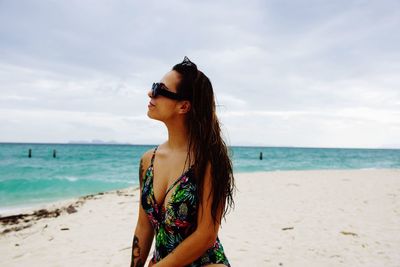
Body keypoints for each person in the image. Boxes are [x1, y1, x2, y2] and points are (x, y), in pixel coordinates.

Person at [130, 57, 235, 267]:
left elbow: (206, 235)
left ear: (184, 106)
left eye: (160, 89)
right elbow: (144, 226)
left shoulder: (210, 160)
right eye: (153, 87)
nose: (151, 93)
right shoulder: (147, 161)